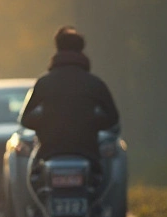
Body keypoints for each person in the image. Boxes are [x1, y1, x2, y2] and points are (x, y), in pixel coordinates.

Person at [19, 27, 119, 163]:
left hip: (49, 151)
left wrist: (45, 122)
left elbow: (26, 119)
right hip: (87, 151)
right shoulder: (95, 84)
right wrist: (92, 121)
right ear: (81, 50)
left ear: (57, 49)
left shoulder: (44, 83)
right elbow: (112, 118)